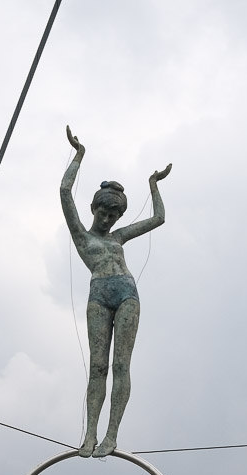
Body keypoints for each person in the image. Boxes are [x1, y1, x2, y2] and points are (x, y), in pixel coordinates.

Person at [61, 126, 171, 457]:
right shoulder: (82, 236)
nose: (108, 219)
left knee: (122, 365)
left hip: (125, 294)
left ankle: (112, 435)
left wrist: (153, 185)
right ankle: (90, 434)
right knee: (98, 367)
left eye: (113, 214)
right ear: (93, 208)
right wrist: (79, 156)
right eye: (103, 212)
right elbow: (65, 192)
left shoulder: (117, 237)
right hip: (99, 296)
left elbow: (159, 218)